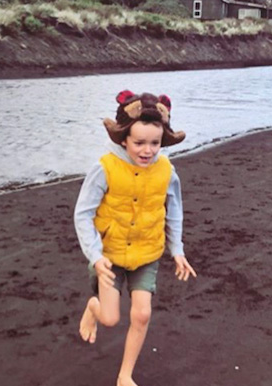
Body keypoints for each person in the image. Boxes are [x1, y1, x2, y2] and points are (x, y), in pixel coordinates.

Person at [74, 90, 197, 386]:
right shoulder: (105, 168)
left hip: (147, 253)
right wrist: (95, 255)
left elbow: (174, 211)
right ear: (123, 139)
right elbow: (83, 213)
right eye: (139, 143)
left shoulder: (167, 170)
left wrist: (176, 250)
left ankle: (124, 375)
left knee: (142, 315)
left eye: (155, 143)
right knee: (110, 319)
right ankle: (94, 308)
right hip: (109, 256)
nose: (148, 150)